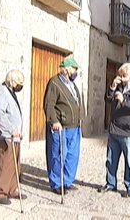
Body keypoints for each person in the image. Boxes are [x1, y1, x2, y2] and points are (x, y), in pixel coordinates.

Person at [98, 62, 130, 198]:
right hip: (115, 130)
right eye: (120, 75)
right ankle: (110, 184)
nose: (121, 77)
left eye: (123, 75)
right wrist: (113, 86)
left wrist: (123, 100)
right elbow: (107, 99)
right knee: (111, 160)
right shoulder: (119, 87)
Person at [44, 57, 82, 195]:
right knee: (58, 154)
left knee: (72, 155)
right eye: (74, 69)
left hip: (74, 126)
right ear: (66, 70)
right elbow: (49, 104)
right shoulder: (55, 83)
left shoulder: (72, 84)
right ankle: (56, 183)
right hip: (60, 126)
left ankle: (66, 181)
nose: (75, 72)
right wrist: (53, 121)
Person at [0, 69, 27, 205]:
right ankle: (0, 192)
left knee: (13, 164)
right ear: (12, 81)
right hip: (3, 136)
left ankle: (11, 189)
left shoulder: (10, 92)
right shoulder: (2, 92)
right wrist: (11, 128)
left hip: (13, 136)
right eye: (19, 82)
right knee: (3, 163)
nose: (20, 85)